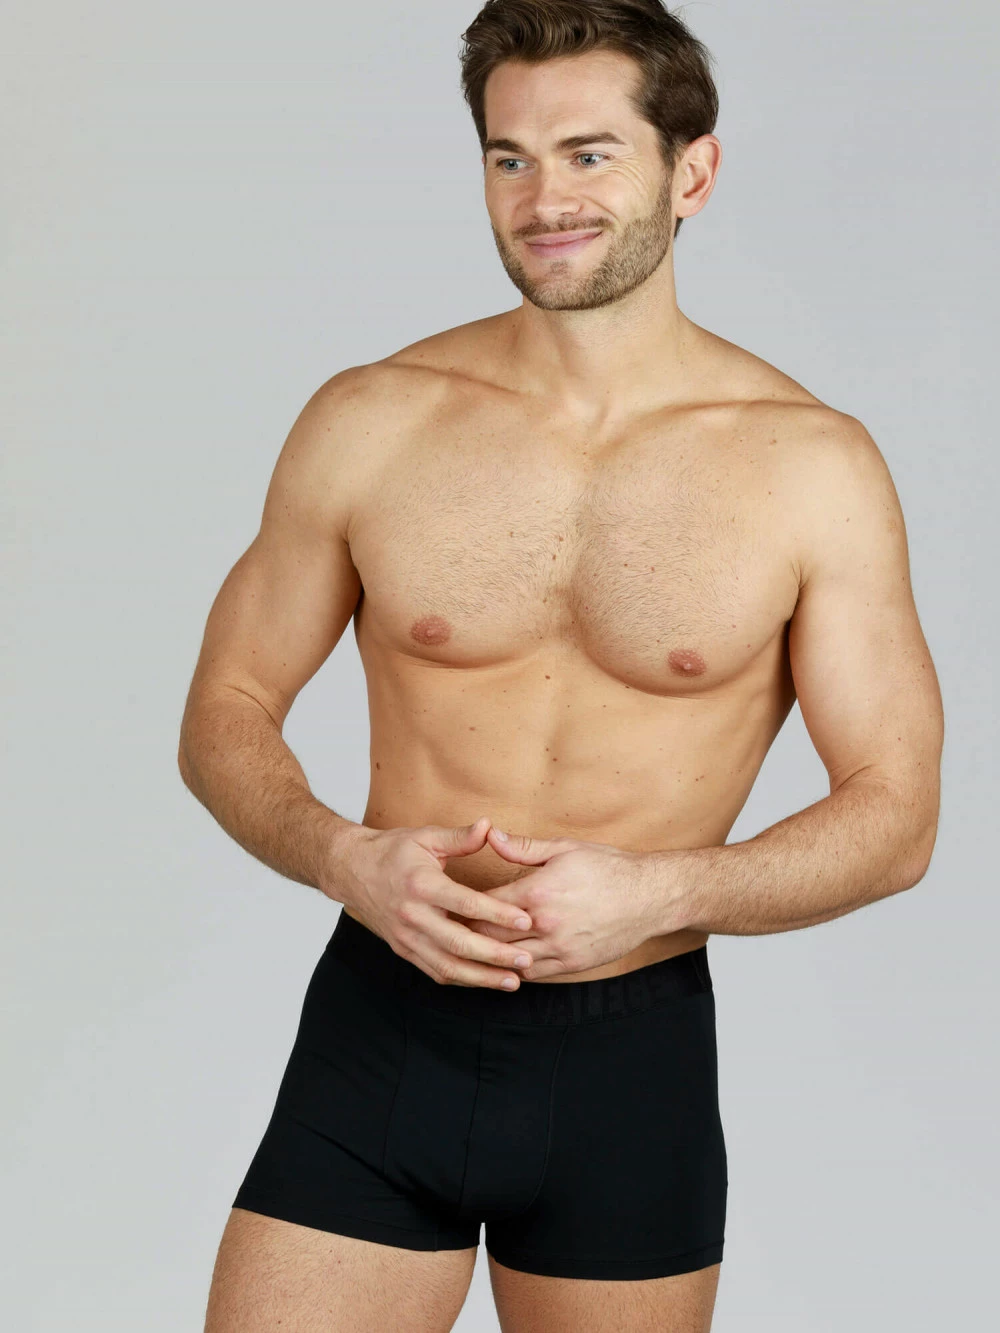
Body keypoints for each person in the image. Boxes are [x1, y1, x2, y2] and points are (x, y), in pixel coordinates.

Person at [179, 2, 944, 1329]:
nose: (545, 200)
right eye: (510, 158)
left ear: (691, 172)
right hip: (381, 1028)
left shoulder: (812, 467)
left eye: (591, 154)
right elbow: (225, 710)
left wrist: (664, 888)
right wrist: (343, 857)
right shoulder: (372, 420)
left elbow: (898, 814)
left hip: (627, 1058)